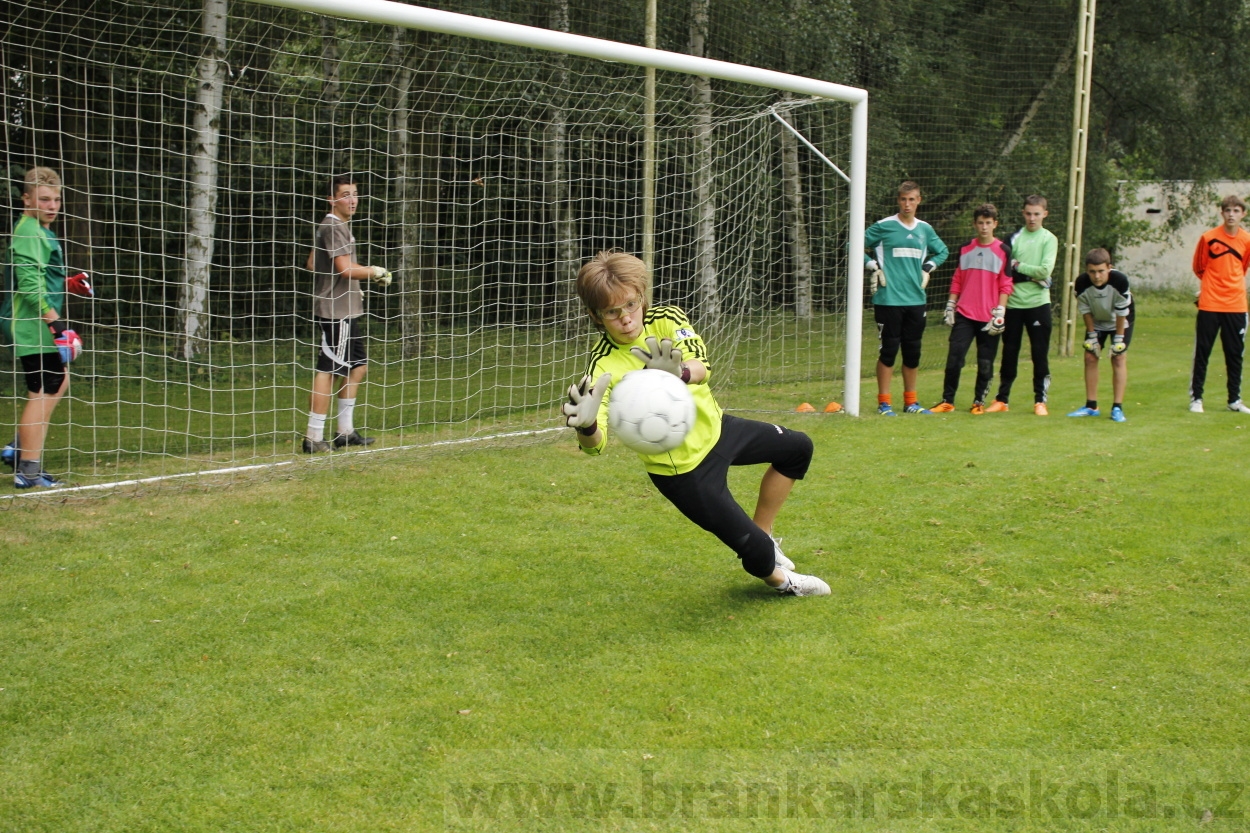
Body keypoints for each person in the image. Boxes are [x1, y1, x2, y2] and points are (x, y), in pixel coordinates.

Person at [562, 251, 829, 597]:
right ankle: (783, 583)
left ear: (641, 297)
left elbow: (701, 367)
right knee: (755, 554)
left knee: (797, 448)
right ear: (596, 316)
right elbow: (595, 447)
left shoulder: (667, 319)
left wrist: (679, 373)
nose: (626, 318)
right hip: (684, 472)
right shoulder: (601, 369)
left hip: (719, 430)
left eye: (630, 305)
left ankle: (766, 534)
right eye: (612, 313)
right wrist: (585, 427)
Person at [301, 174, 391, 453]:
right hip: (335, 311)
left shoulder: (336, 227)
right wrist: (374, 271)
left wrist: (352, 282)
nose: (352, 200)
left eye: (355, 194)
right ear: (332, 199)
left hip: (347, 308)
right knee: (328, 370)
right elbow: (344, 268)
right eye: (345, 194)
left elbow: (313, 263)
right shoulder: (332, 227)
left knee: (358, 368)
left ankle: (345, 432)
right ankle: (313, 437)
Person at [0, 167, 77, 488]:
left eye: (56, 199)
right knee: (44, 390)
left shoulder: (40, 230)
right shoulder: (30, 231)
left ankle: (17, 448)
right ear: (26, 199)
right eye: (44, 199)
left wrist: (69, 283)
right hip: (31, 324)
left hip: (34, 321)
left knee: (57, 383)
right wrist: (54, 322)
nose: (51, 205)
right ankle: (28, 470)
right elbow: (29, 285)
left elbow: (41, 276)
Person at [864, 180, 949, 415]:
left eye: (912, 199)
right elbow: (853, 244)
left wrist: (928, 267)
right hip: (888, 299)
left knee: (912, 352)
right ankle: (884, 403)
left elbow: (943, 250)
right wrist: (872, 265)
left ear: (919, 200)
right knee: (889, 351)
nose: (907, 204)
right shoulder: (884, 226)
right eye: (903, 199)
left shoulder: (924, 229)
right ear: (897, 200)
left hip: (916, 300)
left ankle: (911, 402)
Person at [929, 203, 1013, 414]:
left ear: (995, 224)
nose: (984, 227)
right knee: (954, 358)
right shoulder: (966, 248)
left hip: (989, 316)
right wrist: (950, 304)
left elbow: (1006, 283)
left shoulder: (1003, 251)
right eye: (980, 223)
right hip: (964, 313)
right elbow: (958, 279)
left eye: (988, 223)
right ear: (974, 224)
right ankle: (947, 400)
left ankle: (979, 403)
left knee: (985, 363)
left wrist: (1000, 312)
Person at [985, 195, 1058, 415]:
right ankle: (1002, 400)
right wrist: (1028, 274)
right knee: (1009, 352)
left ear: (1045, 214)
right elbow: (1005, 270)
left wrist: (1019, 266)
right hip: (1014, 304)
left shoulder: (1049, 239)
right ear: (1023, 213)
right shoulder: (1013, 238)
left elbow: (1045, 271)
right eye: (1028, 213)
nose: (1032, 218)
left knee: (1039, 353)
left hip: (1038, 304)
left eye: (1037, 214)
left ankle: (1040, 401)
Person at [1188, 194, 1250, 414]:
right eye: (1227, 210)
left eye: (1236, 211)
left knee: (1235, 353)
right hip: (1210, 304)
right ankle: (1197, 398)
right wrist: (1212, 286)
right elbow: (1199, 267)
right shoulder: (1208, 238)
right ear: (1222, 213)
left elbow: (1242, 268)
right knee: (1203, 352)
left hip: (1236, 305)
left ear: (1243, 214)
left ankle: (1234, 400)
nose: (1231, 215)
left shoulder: (1246, 240)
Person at [1067, 248, 1134, 422]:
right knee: (1090, 356)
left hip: (1120, 320)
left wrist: (1118, 340)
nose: (1097, 276)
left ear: (1109, 267)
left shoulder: (1120, 281)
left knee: (1118, 357)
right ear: (1086, 270)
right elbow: (1086, 310)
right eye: (1092, 272)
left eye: (1101, 271)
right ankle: (1091, 406)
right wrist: (1092, 336)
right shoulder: (1081, 283)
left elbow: (1121, 312)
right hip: (1097, 320)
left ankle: (1117, 408)